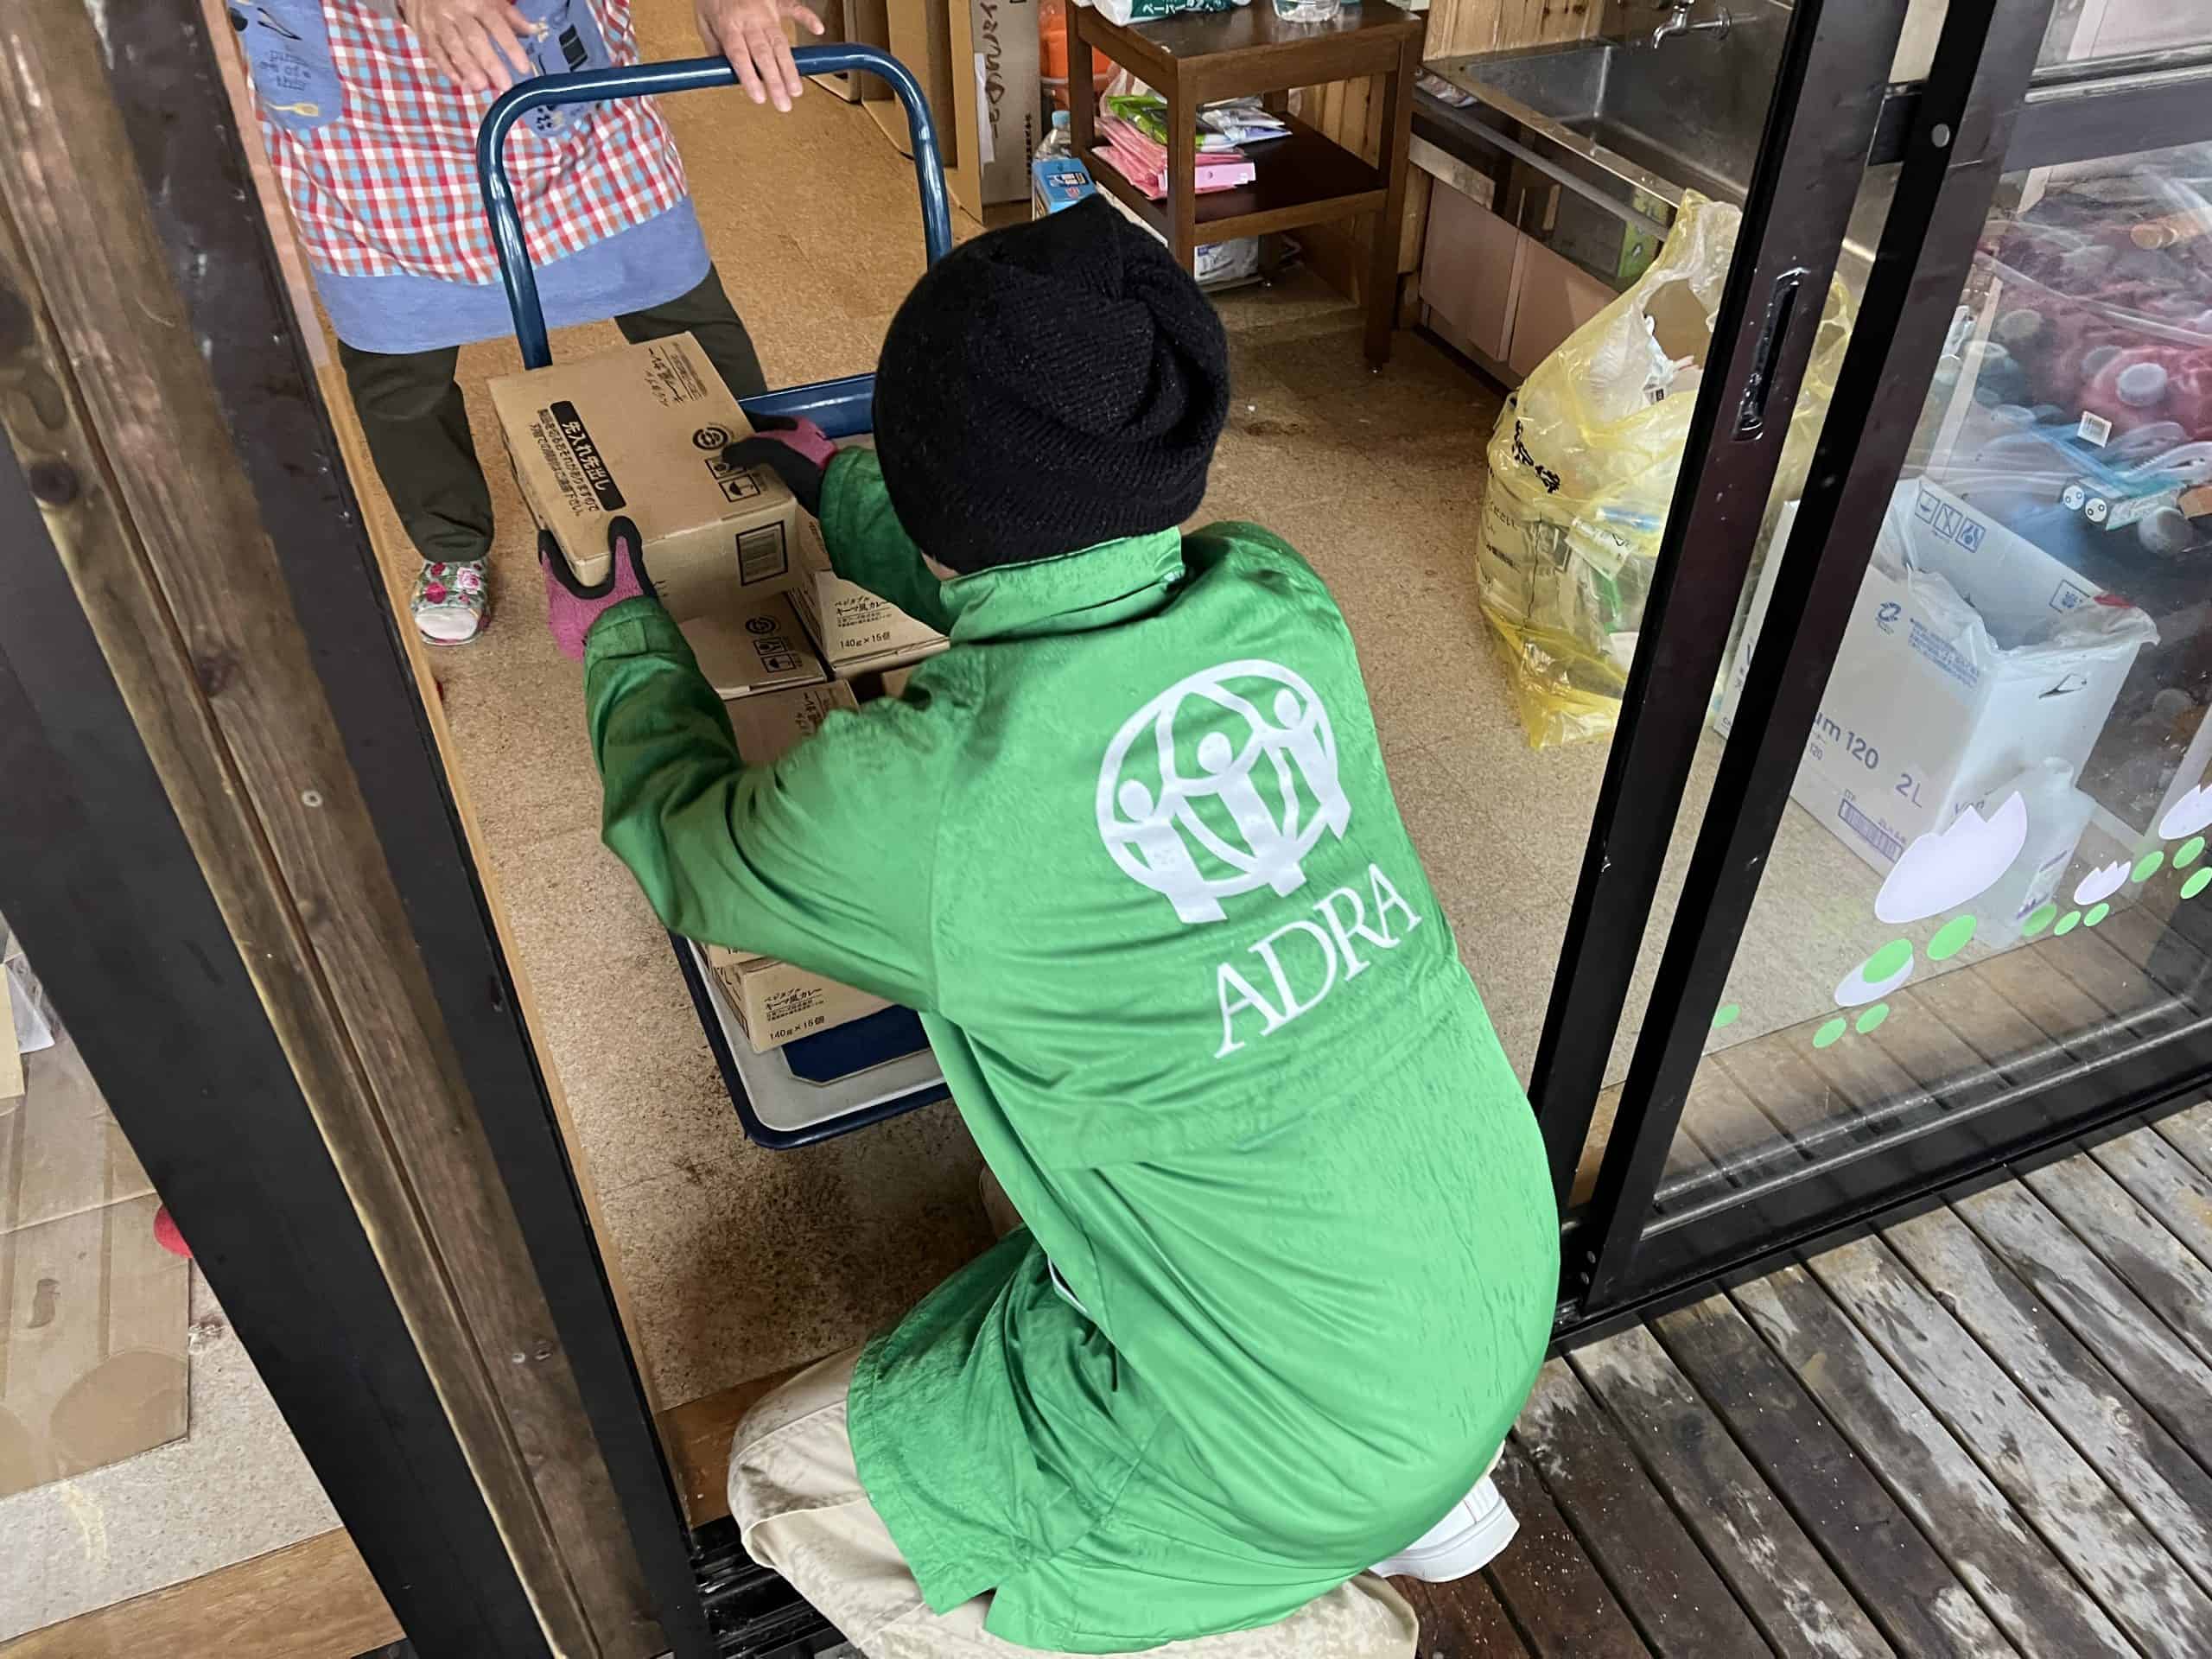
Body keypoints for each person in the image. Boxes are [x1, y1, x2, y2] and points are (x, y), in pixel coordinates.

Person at [544, 199, 1559, 1656]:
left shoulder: (920, 805)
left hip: (1296, 1429)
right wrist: (844, 501)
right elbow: (1066, 589)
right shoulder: (1283, 604)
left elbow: (696, 848)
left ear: (941, 489)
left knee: (785, 1476)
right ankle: (1387, 1473)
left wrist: (624, 637)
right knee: (1057, 1195)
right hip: (1484, 1274)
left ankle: (1306, 1622)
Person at [230, 0, 823, 644]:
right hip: (366, 111)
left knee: (685, 315)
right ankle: (450, 544)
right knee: (398, 370)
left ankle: (753, 493)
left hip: (562, 96)